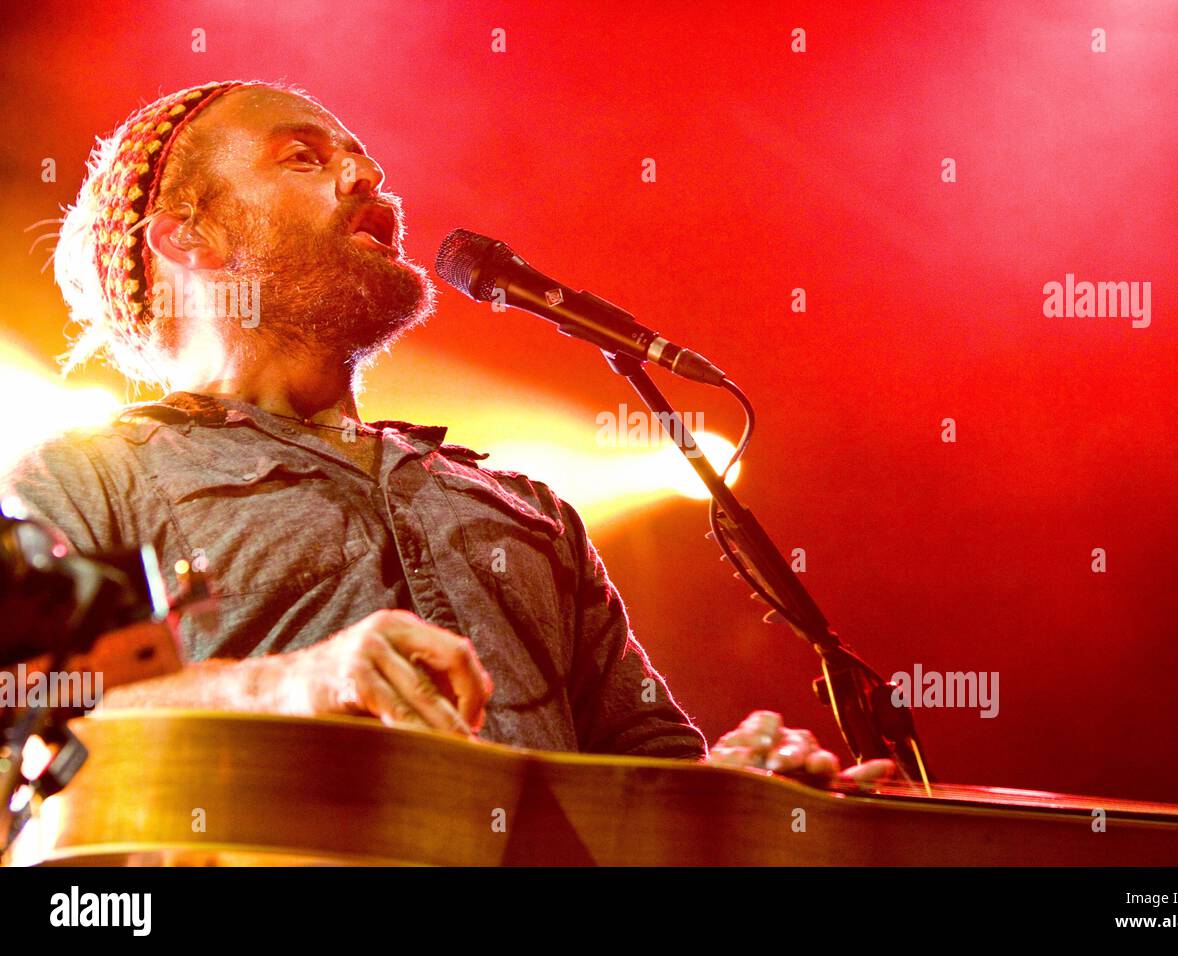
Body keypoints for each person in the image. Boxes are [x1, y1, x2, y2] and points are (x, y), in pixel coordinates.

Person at [4, 80, 893, 784]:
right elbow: (23, 721)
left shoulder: (530, 510)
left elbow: (649, 772)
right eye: (303, 159)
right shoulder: (86, 478)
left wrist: (741, 792)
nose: (367, 180)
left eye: (362, 160)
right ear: (188, 238)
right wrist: (283, 685)